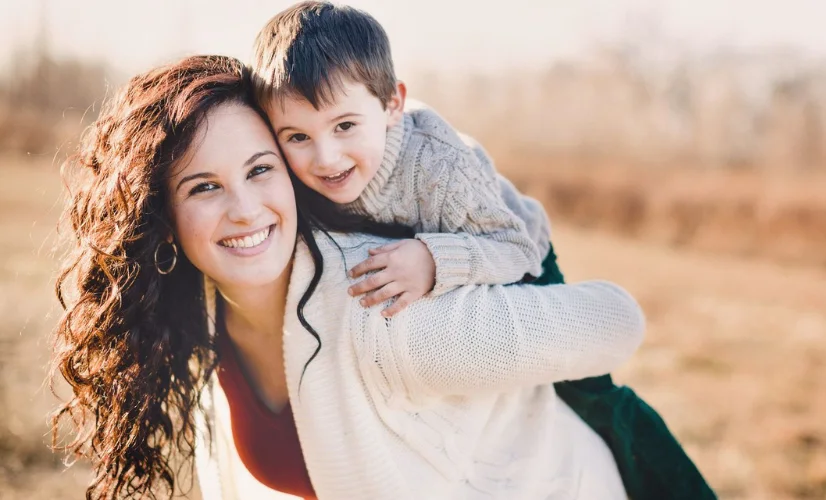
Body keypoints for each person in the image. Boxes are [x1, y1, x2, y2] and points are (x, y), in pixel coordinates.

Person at [51, 55, 645, 500]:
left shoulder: (384, 312)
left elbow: (616, 321)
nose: (244, 209)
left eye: (260, 170)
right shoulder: (203, 309)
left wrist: (445, 260)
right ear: (162, 216)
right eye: (204, 186)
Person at [250, 3, 716, 498]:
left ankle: (674, 484)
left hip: (512, 247)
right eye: (298, 136)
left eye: (345, 127)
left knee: (593, 398)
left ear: (392, 105)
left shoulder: (437, 168)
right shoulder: (304, 167)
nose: (325, 157)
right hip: (442, 240)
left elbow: (510, 246)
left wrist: (431, 260)